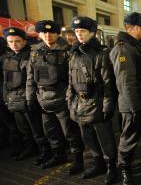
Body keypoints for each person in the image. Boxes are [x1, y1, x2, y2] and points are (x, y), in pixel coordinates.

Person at [27, 20, 84, 174]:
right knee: (50, 131)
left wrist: (71, 100)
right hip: (43, 99)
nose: (48, 35)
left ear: (58, 33)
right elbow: (30, 76)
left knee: (70, 132)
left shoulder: (67, 50)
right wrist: (30, 98)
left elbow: (74, 78)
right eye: (44, 32)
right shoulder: (35, 51)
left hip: (62, 99)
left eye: (52, 32)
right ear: (39, 34)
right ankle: (59, 155)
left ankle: (78, 160)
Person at [67, 17, 117, 184]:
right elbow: (70, 81)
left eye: (83, 31)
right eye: (76, 31)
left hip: (97, 102)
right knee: (88, 138)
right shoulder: (73, 53)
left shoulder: (101, 53)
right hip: (79, 104)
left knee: (105, 139)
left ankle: (111, 167)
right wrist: (70, 101)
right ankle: (98, 164)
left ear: (92, 33)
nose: (79, 34)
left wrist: (108, 106)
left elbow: (108, 83)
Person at [110, 12, 141, 185]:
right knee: (129, 138)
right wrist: (135, 108)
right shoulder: (123, 48)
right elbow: (125, 82)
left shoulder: (136, 46)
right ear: (136, 27)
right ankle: (125, 169)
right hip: (132, 105)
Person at [2, 27, 40, 161]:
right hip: (14, 99)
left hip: (27, 98)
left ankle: (42, 150)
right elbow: (7, 81)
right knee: (23, 128)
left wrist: (30, 99)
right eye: (11, 41)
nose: (14, 44)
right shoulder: (7, 59)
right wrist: (6, 98)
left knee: (36, 128)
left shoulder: (31, 56)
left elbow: (32, 81)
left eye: (17, 41)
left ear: (24, 42)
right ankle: (30, 148)